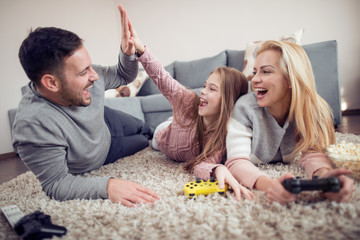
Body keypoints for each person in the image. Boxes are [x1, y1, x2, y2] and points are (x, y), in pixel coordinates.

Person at [12, 5, 160, 207]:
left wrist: (127, 53)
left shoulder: (91, 75)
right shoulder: (32, 125)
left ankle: (158, 132)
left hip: (107, 120)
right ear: (51, 83)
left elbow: (123, 75)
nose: (95, 76)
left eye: (90, 66)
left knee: (149, 130)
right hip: (106, 152)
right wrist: (108, 186)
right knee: (145, 142)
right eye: (83, 72)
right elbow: (56, 184)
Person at [118, 5, 254, 201]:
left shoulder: (221, 136)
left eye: (212, 89)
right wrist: (141, 49)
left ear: (228, 101)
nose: (203, 91)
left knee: (140, 141)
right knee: (148, 134)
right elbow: (162, 78)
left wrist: (218, 169)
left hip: (177, 132)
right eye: (205, 86)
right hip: (163, 135)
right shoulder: (191, 100)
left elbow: (201, 165)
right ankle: (156, 125)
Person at [225, 40, 355, 204]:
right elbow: (237, 162)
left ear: (290, 79)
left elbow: (313, 152)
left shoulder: (310, 108)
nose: (254, 80)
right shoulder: (245, 107)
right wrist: (269, 185)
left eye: (266, 72)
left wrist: (324, 175)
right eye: (255, 71)